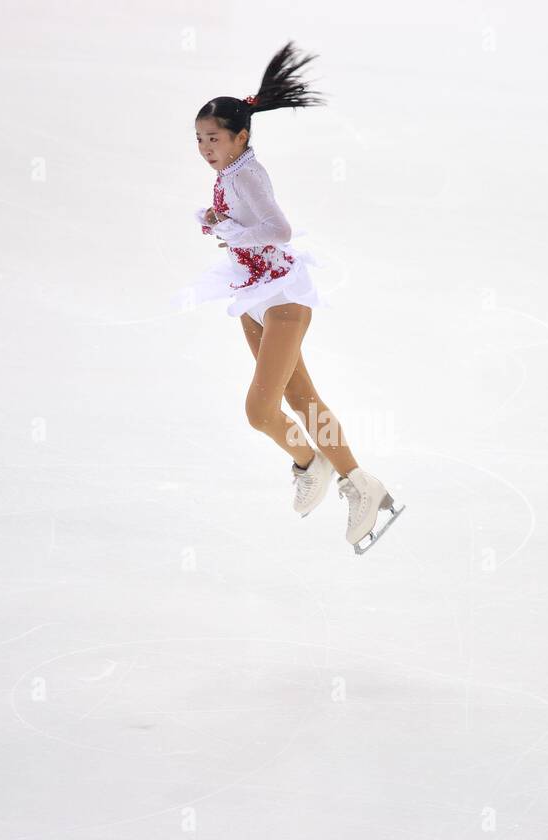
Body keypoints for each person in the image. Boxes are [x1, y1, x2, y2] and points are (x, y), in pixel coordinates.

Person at [183, 41, 403, 554]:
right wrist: (215, 219)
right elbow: (244, 221)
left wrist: (232, 233)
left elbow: (277, 230)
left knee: (260, 410)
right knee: (301, 399)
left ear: (241, 137)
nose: (205, 147)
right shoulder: (230, 172)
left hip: (281, 295)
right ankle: (358, 482)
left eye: (213, 138)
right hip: (252, 292)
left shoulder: (251, 173)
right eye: (198, 139)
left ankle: (312, 462)